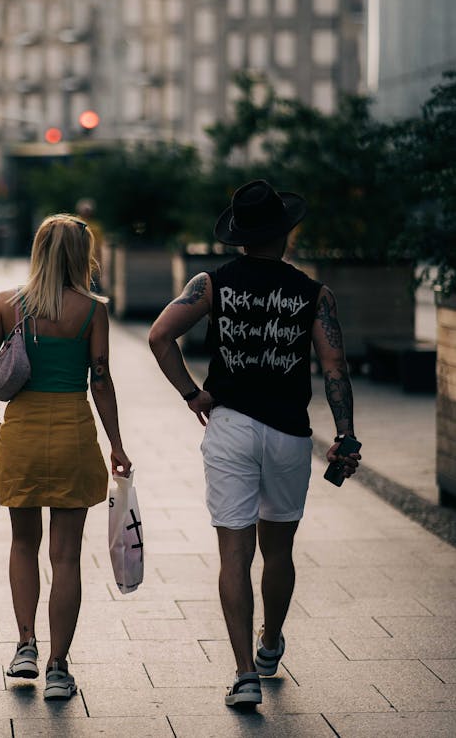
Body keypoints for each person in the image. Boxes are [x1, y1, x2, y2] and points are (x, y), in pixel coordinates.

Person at [148, 179, 361, 709]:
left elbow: (158, 336)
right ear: (285, 234)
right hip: (289, 434)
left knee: (234, 553)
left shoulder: (211, 284)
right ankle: (270, 645)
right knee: (279, 551)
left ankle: (244, 674)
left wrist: (191, 393)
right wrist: (346, 435)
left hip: (230, 430)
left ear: (239, 238)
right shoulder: (315, 293)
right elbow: (334, 366)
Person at [0, 213, 131, 701]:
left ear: (39, 251)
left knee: (23, 544)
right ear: (80, 256)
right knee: (65, 557)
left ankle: (25, 645)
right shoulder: (91, 311)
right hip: (73, 434)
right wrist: (117, 444)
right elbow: (100, 381)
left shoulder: (8, 305)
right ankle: (59, 669)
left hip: (20, 435)